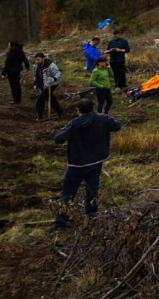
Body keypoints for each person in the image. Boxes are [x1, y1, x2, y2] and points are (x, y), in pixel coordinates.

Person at [51, 97, 122, 229]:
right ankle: (92, 219)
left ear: (78, 110)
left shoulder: (74, 124)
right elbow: (117, 125)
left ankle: (61, 223)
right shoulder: (103, 119)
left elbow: (59, 138)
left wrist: (59, 131)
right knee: (92, 191)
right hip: (96, 162)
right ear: (92, 108)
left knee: (68, 193)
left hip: (77, 164)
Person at [33, 52, 63, 120]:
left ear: (43, 58)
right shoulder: (36, 66)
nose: (37, 61)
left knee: (40, 101)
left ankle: (40, 117)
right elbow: (36, 75)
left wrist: (53, 79)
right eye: (36, 60)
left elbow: (58, 74)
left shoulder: (51, 65)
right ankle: (60, 111)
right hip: (42, 85)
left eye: (38, 60)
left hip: (51, 84)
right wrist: (35, 83)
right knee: (49, 98)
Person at [3, 40, 30, 105]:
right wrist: (27, 67)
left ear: (13, 46)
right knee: (17, 85)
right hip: (18, 71)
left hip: (11, 72)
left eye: (9, 45)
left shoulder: (10, 53)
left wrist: (3, 73)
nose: (8, 46)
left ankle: (15, 100)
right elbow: (25, 60)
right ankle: (18, 100)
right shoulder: (20, 52)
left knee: (13, 86)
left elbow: (7, 64)